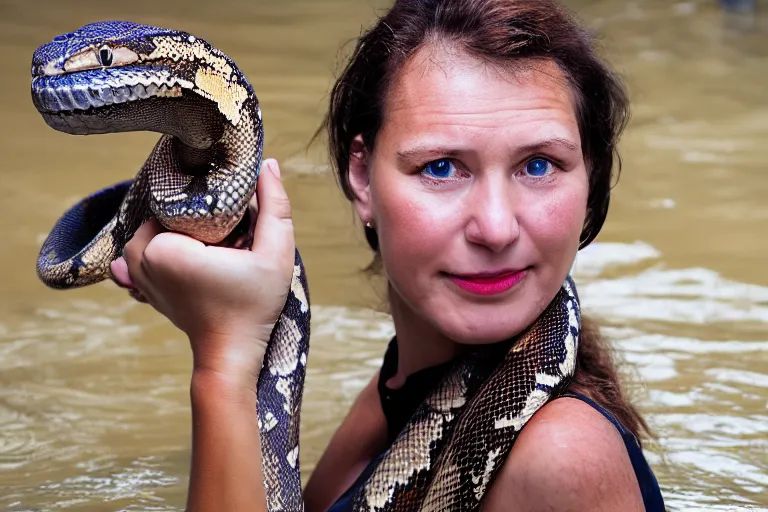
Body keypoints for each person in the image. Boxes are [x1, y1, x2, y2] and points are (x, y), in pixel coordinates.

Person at [110, 0, 666, 510]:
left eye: (539, 164)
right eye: (441, 167)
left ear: (590, 180)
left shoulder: (563, 456)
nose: (496, 228)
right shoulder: (400, 390)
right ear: (361, 176)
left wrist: (222, 362)